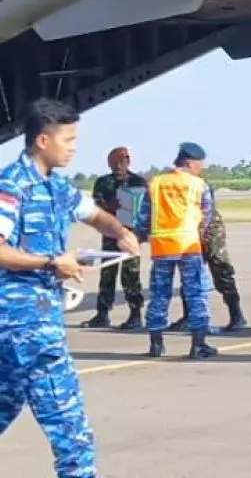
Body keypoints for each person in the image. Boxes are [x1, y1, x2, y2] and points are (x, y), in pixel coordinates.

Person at [0, 98, 139, 478]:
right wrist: (51, 263)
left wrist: (120, 231)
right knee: (70, 425)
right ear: (43, 140)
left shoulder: (56, 186)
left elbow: (93, 214)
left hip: (31, 318)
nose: (74, 147)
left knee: (4, 403)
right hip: (25, 324)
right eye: (68, 139)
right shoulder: (12, 186)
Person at [138, 143, 219, 360]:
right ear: (190, 163)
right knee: (196, 294)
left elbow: (143, 216)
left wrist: (140, 236)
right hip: (188, 246)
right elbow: (206, 216)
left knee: (159, 295)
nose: (201, 168)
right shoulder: (198, 185)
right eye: (200, 164)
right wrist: (199, 237)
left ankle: (156, 344)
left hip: (162, 246)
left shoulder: (155, 183)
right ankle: (198, 344)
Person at [80, 146, 147, 331]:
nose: (119, 165)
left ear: (129, 161)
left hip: (131, 235)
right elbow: (96, 206)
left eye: (123, 161)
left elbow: (145, 208)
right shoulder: (103, 182)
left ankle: (135, 314)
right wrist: (112, 206)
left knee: (131, 276)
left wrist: (141, 232)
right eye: (115, 162)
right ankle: (102, 313)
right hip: (110, 234)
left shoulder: (137, 181)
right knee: (107, 275)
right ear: (109, 164)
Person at [166, 183, 245, 334]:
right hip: (189, 231)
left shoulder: (199, 185)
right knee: (189, 276)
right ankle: (189, 316)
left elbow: (204, 209)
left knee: (222, 273)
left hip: (210, 232)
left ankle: (236, 316)